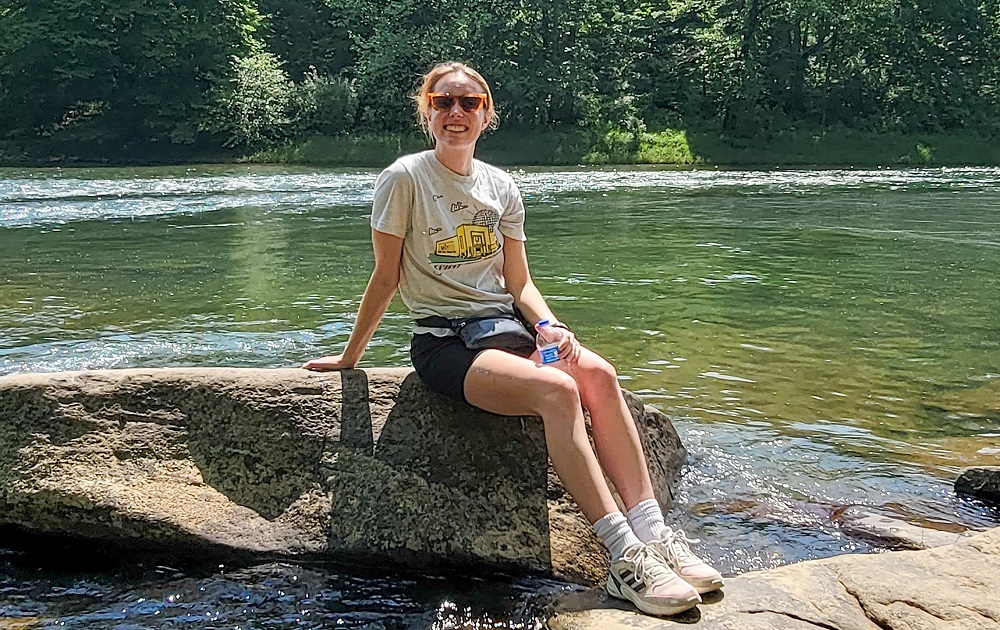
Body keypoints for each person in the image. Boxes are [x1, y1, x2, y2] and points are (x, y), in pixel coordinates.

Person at [303, 61, 723, 617]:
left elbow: (519, 283)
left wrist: (547, 323)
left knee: (597, 373)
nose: (456, 113)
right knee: (558, 391)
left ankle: (656, 535)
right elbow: (384, 277)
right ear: (426, 110)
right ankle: (624, 558)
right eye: (444, 101)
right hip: (445, 343)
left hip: (506, 328)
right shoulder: (404, 178)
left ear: (486, 114)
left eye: (469, 103)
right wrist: (350, 358)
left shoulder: (500, 186)